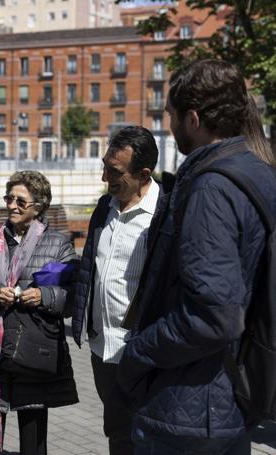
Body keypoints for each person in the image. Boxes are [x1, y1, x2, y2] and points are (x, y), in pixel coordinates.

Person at [117, 59, 276, 454]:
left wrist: (138, 351)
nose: (168, 125)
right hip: (227, 398)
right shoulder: (259, 170)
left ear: (193, 119)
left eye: (171, 115)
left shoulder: (212, 188)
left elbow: (214, 315)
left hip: (190, 407)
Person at [0, 171, 78, 455]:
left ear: (38, 206)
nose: (12, 205)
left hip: (33, 349)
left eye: (20, 201)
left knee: (33, 433)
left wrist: (43, 296)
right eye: (9, 198)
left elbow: (73, 297)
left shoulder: (58, 243)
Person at [70, 126, 160, 455]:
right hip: (101, 348)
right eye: (105, 165)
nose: (105, 176)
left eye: (114, 171)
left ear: (143, 174)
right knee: (117, 434)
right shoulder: (104, 207)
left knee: (146, 436)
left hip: (141, 351)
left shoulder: (163, 216)